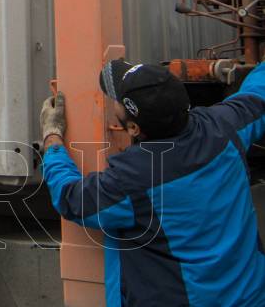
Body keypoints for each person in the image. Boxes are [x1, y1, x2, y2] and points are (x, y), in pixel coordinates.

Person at [40, 59, 265, 306]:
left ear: (133, 128)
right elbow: (259, 92)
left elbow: (72, 198)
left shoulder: (132, 180)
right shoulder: (223, 127)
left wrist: (52, 137)